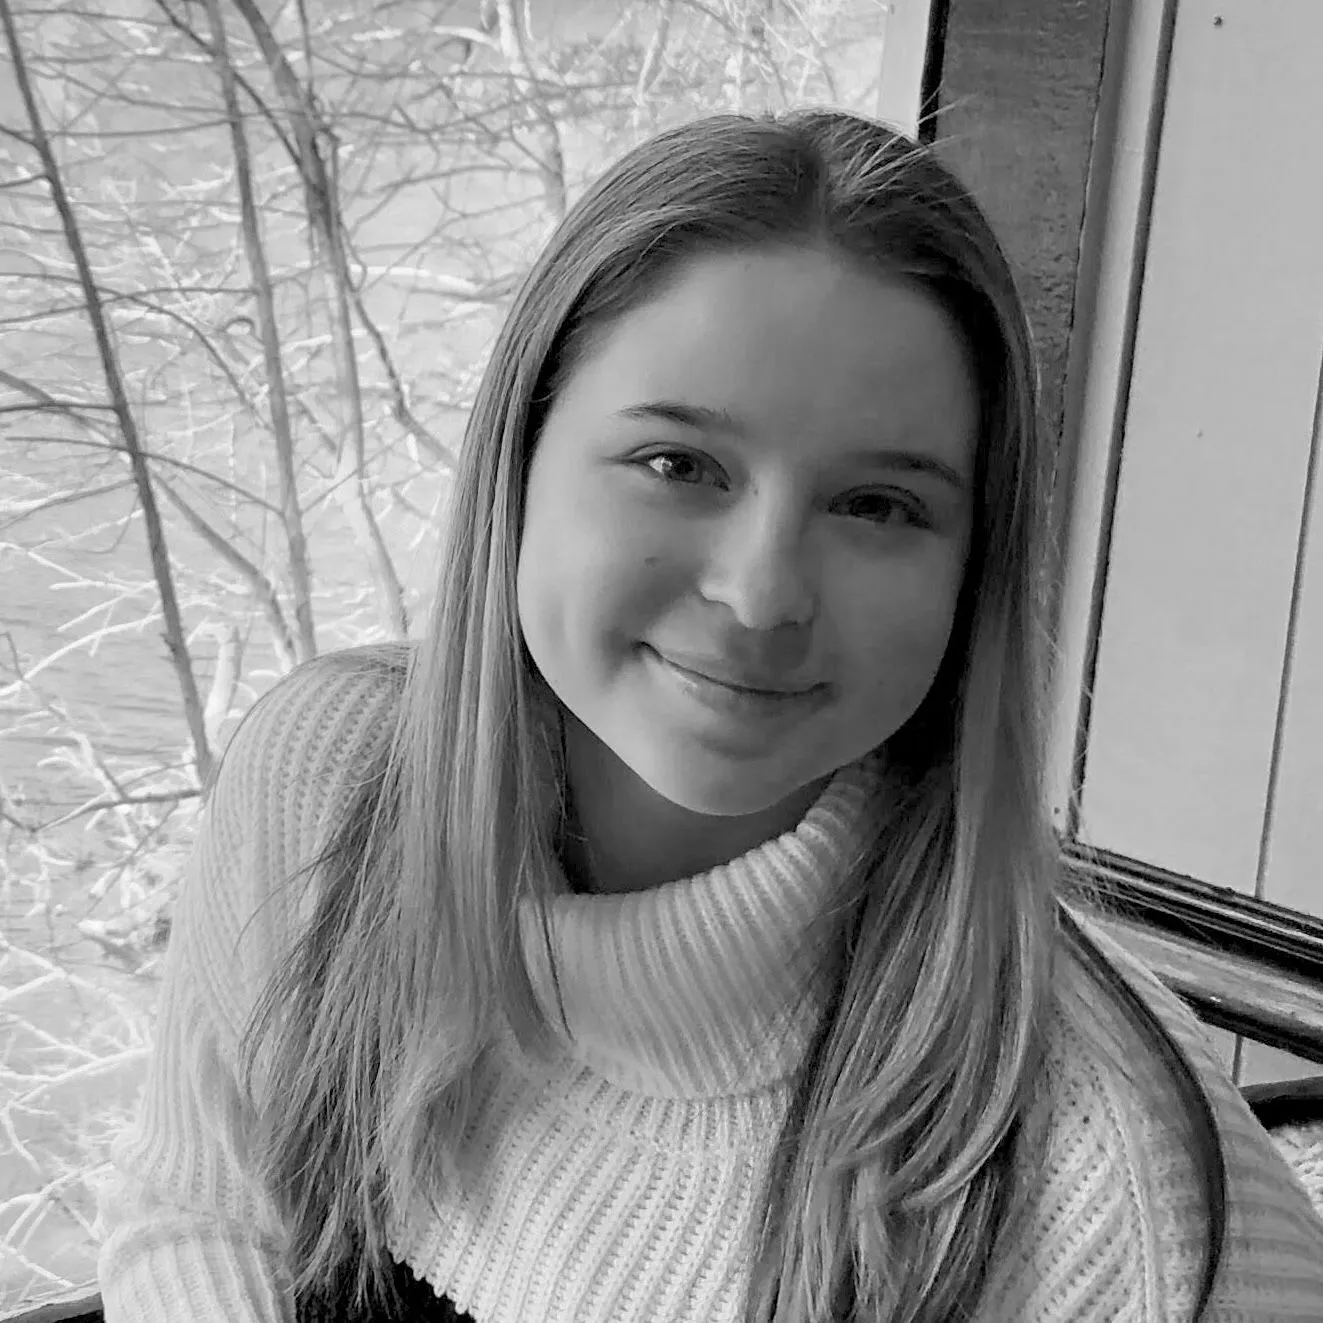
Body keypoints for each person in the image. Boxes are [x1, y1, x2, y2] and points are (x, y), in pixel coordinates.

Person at [95, 108, 1323, 1323]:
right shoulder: (327, 780)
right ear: (518, 463)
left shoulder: (1117, 1198)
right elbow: (202, 1210)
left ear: (971, 570)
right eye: (679, 465)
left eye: (878, 505)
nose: (762, 592)